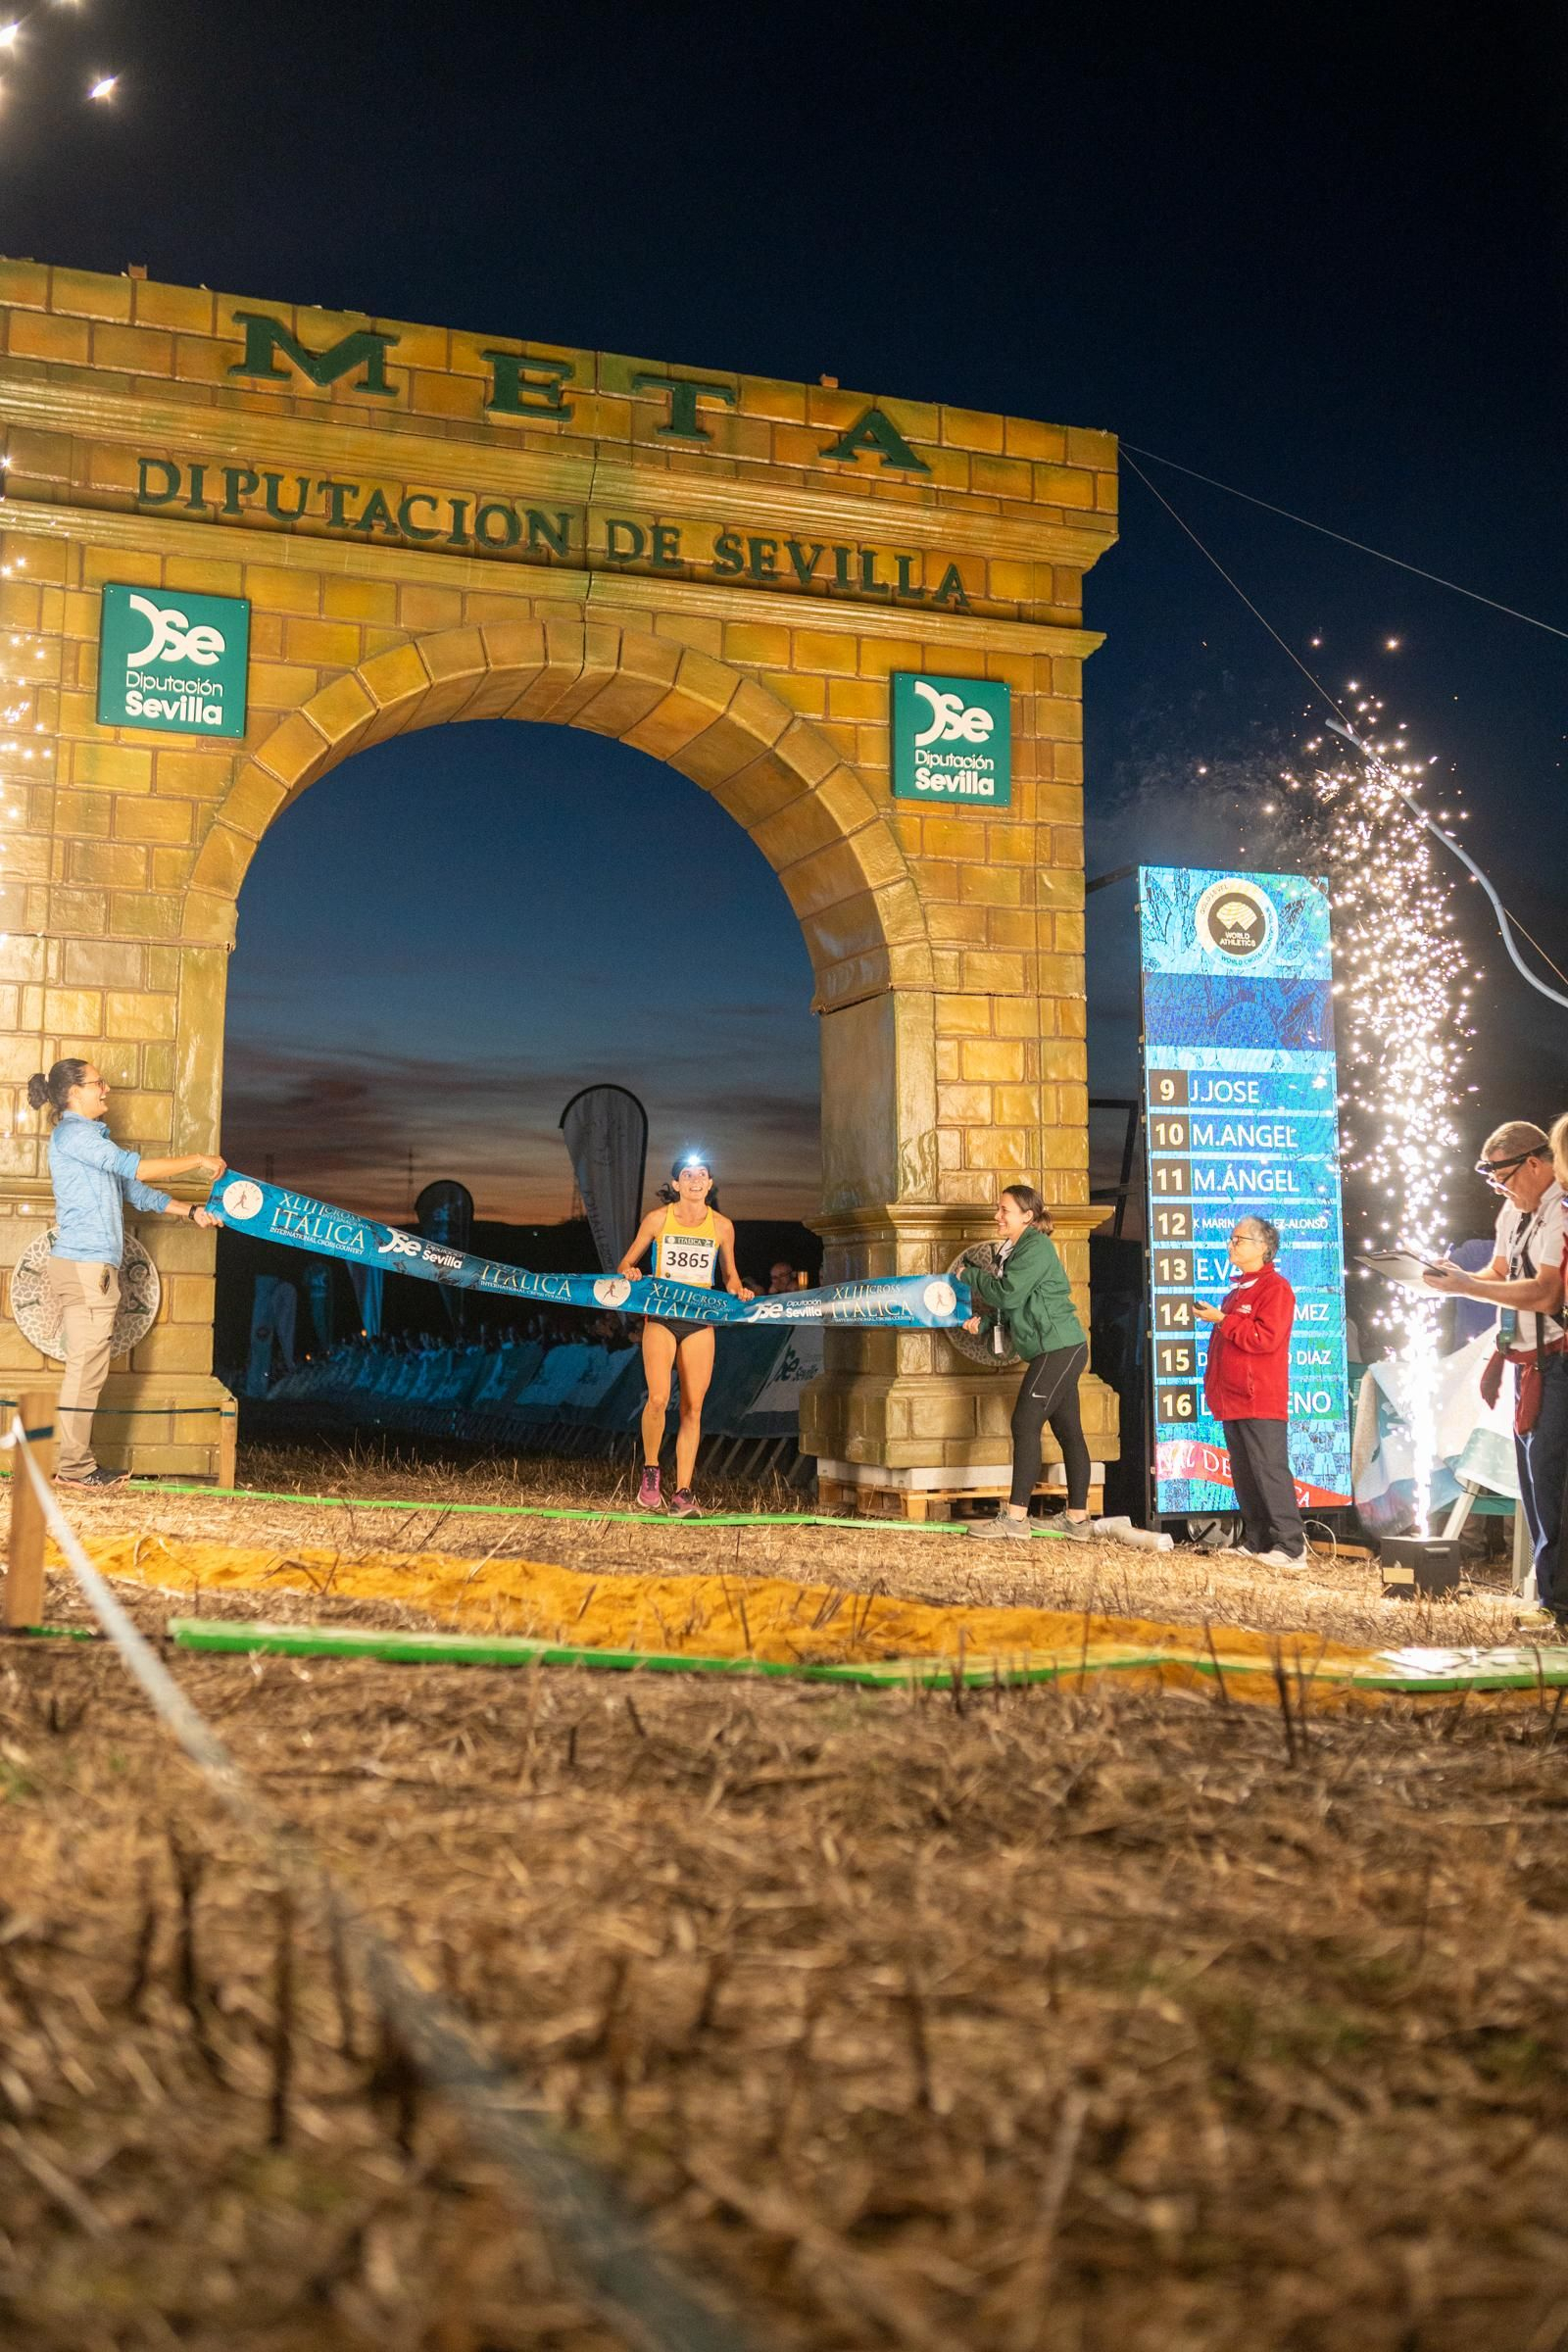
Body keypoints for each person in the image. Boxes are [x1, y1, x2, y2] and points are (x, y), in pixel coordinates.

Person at [27, 1058, 223, 1488]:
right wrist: (197, 1159)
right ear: (75, 1093)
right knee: (86, 1371)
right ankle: (76, 1471)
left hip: (88, 1267)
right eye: (98, 1083)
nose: (107, 1089)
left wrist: (191, 1211)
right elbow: (134, 1168)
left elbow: (136, 1190)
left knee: (89, 1369)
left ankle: (75, 1467)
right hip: (85, 1269)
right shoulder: (75, 1133)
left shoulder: (89, 1138)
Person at [1424, 1121, 1565, 1618]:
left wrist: (1469, 1286)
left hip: (1558, 1359)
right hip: (1525, 1360)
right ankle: (1550, 1596)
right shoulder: (1515, 1209)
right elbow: (1498, 1274)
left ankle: (1557, 1601)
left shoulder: (1561, 1209)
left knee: (1554, 1480)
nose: (1503, 1190)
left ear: (1536, 1163)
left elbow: (1548, 1292)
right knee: (1534, 1483)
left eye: (1505, 1178)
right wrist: (1452, 1281)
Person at [618, 1153, 752, 1517]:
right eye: (687, 1174)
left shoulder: (722, 1226)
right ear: (676, 1184)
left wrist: (739, 1290)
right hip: (661, 1315)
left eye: (703, 1174)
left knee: (693, 1407)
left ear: (709, 1185)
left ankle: (683, 1492)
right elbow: (625, 1263)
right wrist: (630, 1273)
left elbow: (730, 1275)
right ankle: (650, 1472)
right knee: (659, 1398)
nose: (695, 1179)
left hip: (699, 1318)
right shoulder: (658, 1219)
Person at [960, 1184, 1093, 1542]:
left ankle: (1016, 1519)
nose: (997, 1216)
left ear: (1027, 1216)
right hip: (1057, 1349)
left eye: (1004, 1210)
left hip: (1059, 1349)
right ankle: (1078, 1522)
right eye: (998, 1209)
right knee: (1068, 1431)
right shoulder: (1016, 1249)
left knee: (1024, 1422)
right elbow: (1016, 1301)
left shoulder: (1036, 1247)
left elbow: (1010, 1292)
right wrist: (987, 1322)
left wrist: (969, 1274)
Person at [1195, 1215, 1305, 1568]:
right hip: (1233, 1398)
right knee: (1244, 1473)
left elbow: (1265, 1338)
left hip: (1260, 1398)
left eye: (1239, 1239)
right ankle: (1257, 1539)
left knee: (1269, 1470)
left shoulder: (1276, 1289)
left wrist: (1224, 1321)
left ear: (1262, 1247)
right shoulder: (1235, 1292)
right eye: (1231, 1239)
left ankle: (1291, 1546)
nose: (1231, 1245)